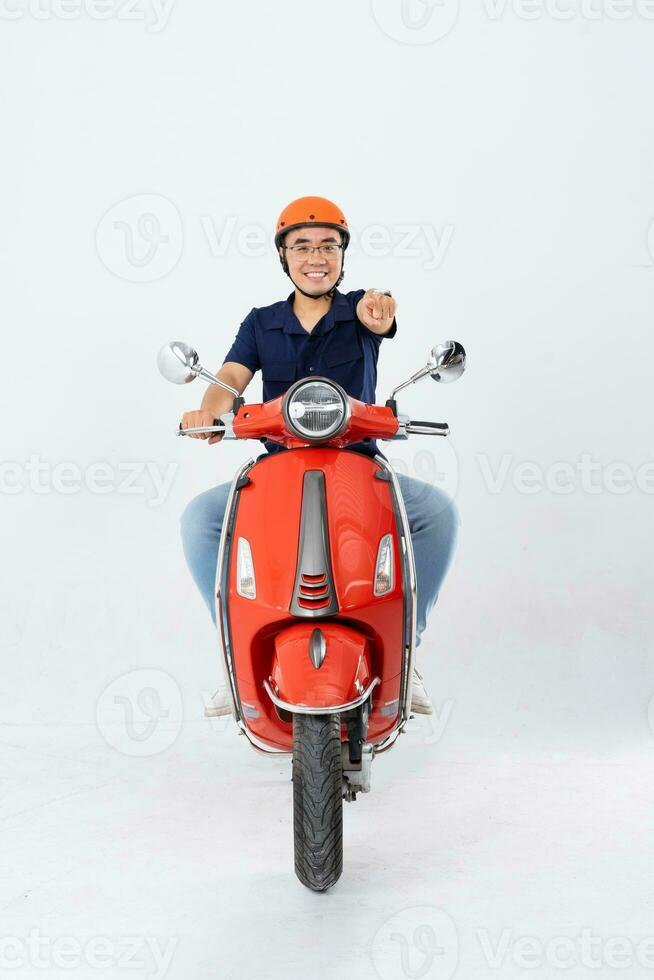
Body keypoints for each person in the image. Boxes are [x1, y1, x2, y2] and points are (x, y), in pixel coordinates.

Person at [179, 196, 459, 717]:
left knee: (437, 513)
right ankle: (232, 654)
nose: (316, 256)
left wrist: (381, 307)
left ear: (342, 255)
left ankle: (408, 648)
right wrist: (207, 413)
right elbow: (231, 381)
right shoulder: (261, 323)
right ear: (283, 257)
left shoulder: (359, 309)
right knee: (201, 519)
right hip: (276, 470)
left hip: (359, 466)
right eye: (301, 245)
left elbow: (381, 313)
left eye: (328, 245)